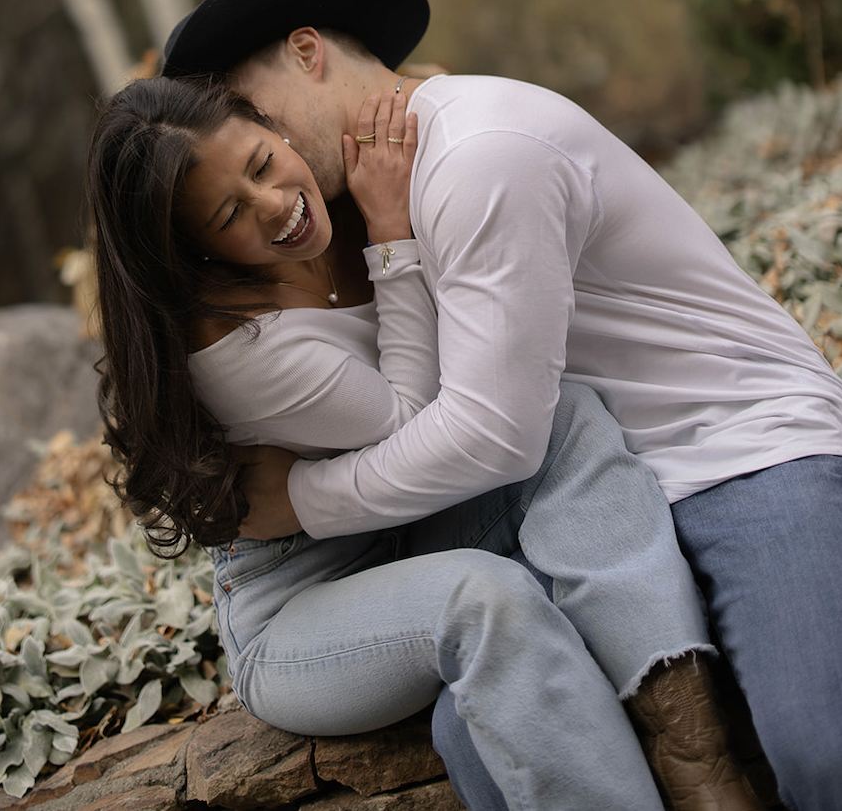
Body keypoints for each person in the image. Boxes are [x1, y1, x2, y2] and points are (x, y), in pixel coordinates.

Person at [158, 0, 842, 811]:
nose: (266, 154)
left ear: (307, 51)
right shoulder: (348, 217)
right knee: (473, 732)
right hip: (591, 499)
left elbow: (493, 433)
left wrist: (300, 501)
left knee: (823, 757)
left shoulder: (479, 154)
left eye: (255, 122)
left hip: (730, 453)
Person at [86, 71, 763, 811]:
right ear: (195, 251)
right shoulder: (238, 347)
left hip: (408, 526)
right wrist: (388, 235)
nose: (277, 206)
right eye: (230, 214)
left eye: (261, 163)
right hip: (300, 612)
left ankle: (692, 743)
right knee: (482, 599)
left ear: (271, 126)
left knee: (561, 413)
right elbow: (410, 418)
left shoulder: (329, 202)